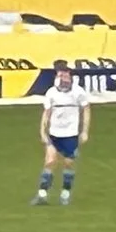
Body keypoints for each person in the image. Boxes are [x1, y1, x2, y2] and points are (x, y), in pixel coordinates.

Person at [34, 64, 90, 206]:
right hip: (54, 134)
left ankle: (65, 193)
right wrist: (42, 131)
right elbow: (46, 114)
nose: (63, 78)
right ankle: (42, 194)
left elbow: (86, 110)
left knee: (68, 164)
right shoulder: (51, 93)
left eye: (65, 75)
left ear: (70, 77)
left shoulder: (78, 92)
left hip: (70, 135)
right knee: (50, 161)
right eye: (60, 76)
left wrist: (84, 131)